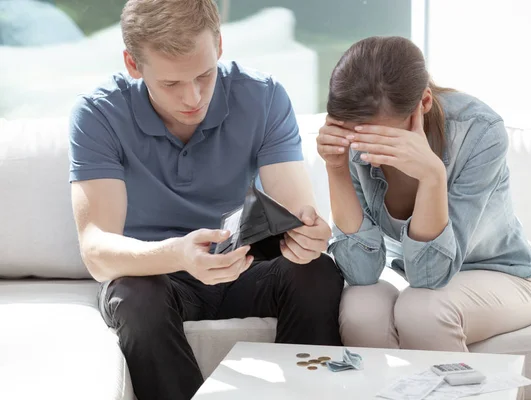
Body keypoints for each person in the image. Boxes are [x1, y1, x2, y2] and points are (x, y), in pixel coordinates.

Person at [68, 1, 343, 399]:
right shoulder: (99, 114)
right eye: (171, 84)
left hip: (245, 264)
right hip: (159, 272)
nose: (193, 97)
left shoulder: (263, 97)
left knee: (317, 272)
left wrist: (308, 237)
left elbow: (296, 215)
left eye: (204, 74)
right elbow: (97, 251)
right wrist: (180, 255)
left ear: (218, 43)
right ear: (133, 64)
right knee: (135, 298)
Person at [318, 36, 531, 352]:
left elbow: (430, 276)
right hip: (416, 281)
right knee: (361, 308)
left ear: (423, 104)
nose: (366, 147)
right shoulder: (352, 135)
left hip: (505, 274)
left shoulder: (478, 131)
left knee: (422, 310)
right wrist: (336, 168)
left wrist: (431, 176)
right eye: (355, 134)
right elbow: (361, 272)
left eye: (382, 135)